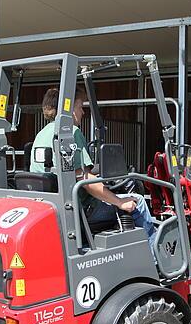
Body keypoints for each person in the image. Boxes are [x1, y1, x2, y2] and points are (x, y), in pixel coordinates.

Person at [31, 87, 156, 242]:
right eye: (80, 107)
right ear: (69, 108)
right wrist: (119, 202)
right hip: (81, 209)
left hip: (54, 206)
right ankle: (156, 262)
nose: (83, 112)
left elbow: (73, 171)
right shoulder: (70, 133)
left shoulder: (41, 134)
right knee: (139, 201)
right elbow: (85, 180)